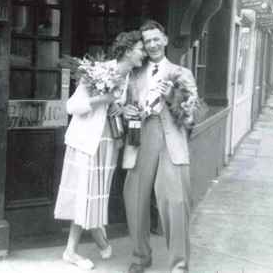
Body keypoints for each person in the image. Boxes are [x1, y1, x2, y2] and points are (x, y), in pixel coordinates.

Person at [54, 31, 145, 270]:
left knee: (96, 195)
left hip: (108, 143)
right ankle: (71, 252)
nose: (143, 53)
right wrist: (101, 101)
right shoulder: (98, 71)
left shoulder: (130, 78)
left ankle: (99, 239)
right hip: (86, 142)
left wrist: (123, 111)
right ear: (127, 51)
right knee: (86, 194)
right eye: (140, 49)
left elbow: (121, 109)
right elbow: (72, 106)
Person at [122, 20, 198, 273]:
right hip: (140, 138)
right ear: (143, 45)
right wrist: (128, 111)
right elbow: (125, 107)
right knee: (135, 199)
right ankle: (140, 258)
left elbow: (191, 116)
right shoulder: (134, 74)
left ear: (165, 40)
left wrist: (170, 97)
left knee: (175, 202)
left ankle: (179, 265)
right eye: (147, 41)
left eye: (156, 39)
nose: (152, 44)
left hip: (171, 139)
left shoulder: (181, 73)